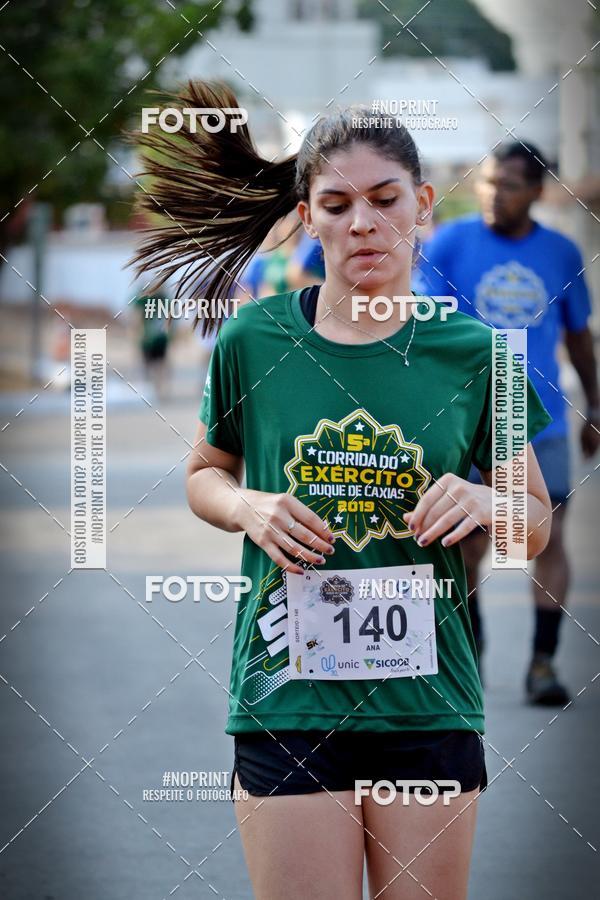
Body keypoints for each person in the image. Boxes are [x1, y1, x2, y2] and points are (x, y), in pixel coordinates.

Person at [131, 81, 553, 900]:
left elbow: (534, 524)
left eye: (385, 199)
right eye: (337, 203)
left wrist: (487, 504)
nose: (363, 222)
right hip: (284, 701)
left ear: (423, 203)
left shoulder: (480, 354)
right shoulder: (255, 339)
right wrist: (248, 506)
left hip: (427, 709)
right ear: (307, 216)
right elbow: (203, 476)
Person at [417, 141, 599, 705]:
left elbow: (577, 336)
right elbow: (424, 329)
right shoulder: (449, 243)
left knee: (545, 540)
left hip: (537, 422)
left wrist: (595, 406)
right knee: (467, 545)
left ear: (538, 192)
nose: (496, 194)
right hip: (465, 423)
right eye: (489, 182)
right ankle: (471, 662)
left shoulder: (562, 253)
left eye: (511, 185)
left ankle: (542, 665)